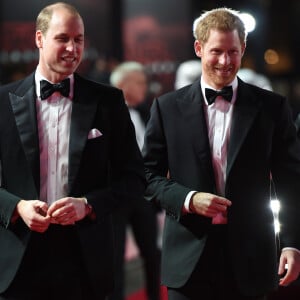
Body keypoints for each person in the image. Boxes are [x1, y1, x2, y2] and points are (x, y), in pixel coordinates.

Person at [142, 7, 300, 300]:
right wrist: (188, 199)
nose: (225, 61)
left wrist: (292, 243)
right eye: (217, 51)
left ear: (243, 49)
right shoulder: (166, 108)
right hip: (187, 259)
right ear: (199, 48)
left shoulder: (272, 108)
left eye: (233, 51)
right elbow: (146, 176)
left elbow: (290, 181)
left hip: (252, 257)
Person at [0, 3, 145, 300]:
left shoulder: (108, 102)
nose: (72, 48)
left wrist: (87, 204)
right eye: (62, 38)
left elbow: (134, 179)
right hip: (18, 261)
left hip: (86, 262)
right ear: (39, 39)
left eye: (78, 39)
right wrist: (17, 208)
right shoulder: (2, 102)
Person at [109, 61, 161, 300]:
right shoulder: (103, 111)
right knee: (114, 256)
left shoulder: (145, 111)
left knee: (152, 253)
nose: (145, 88)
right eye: (140, 82)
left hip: (142, 194)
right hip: (114, 196)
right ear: (122, 84)